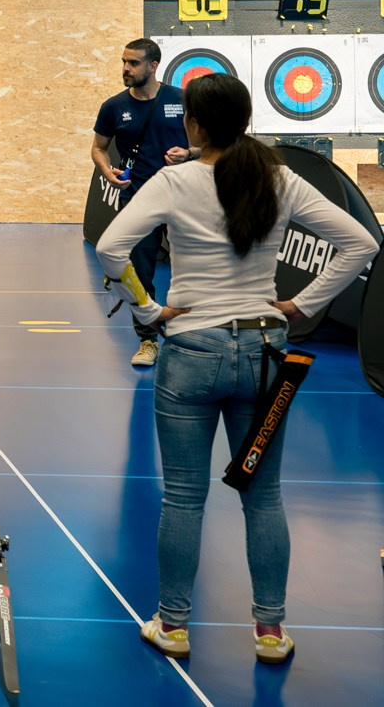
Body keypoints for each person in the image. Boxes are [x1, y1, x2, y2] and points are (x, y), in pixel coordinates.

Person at [96, 72, 374, 665]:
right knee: (264, 498)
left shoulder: (174, 180)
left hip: (190, 351)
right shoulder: (279, 176)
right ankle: (270, 632)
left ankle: (173, 626)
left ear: (194, 126)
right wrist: (302, 305)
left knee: (183, 498)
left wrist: (147, 310)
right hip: (263, 352)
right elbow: (361, 244)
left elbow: (110, 249)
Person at [91, 38, 193, 368]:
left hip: (183, 198)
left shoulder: (182, 99)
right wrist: (107, 170)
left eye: (133, 63)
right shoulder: (113, 107)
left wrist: (189, 153)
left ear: (153, 66)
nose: (126, 68)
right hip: (138, 199)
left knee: (189, 271)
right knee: (140, 272)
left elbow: (210, 146)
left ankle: (189, 335)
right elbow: (98, 148)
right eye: (124, 62)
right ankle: (148, 340)